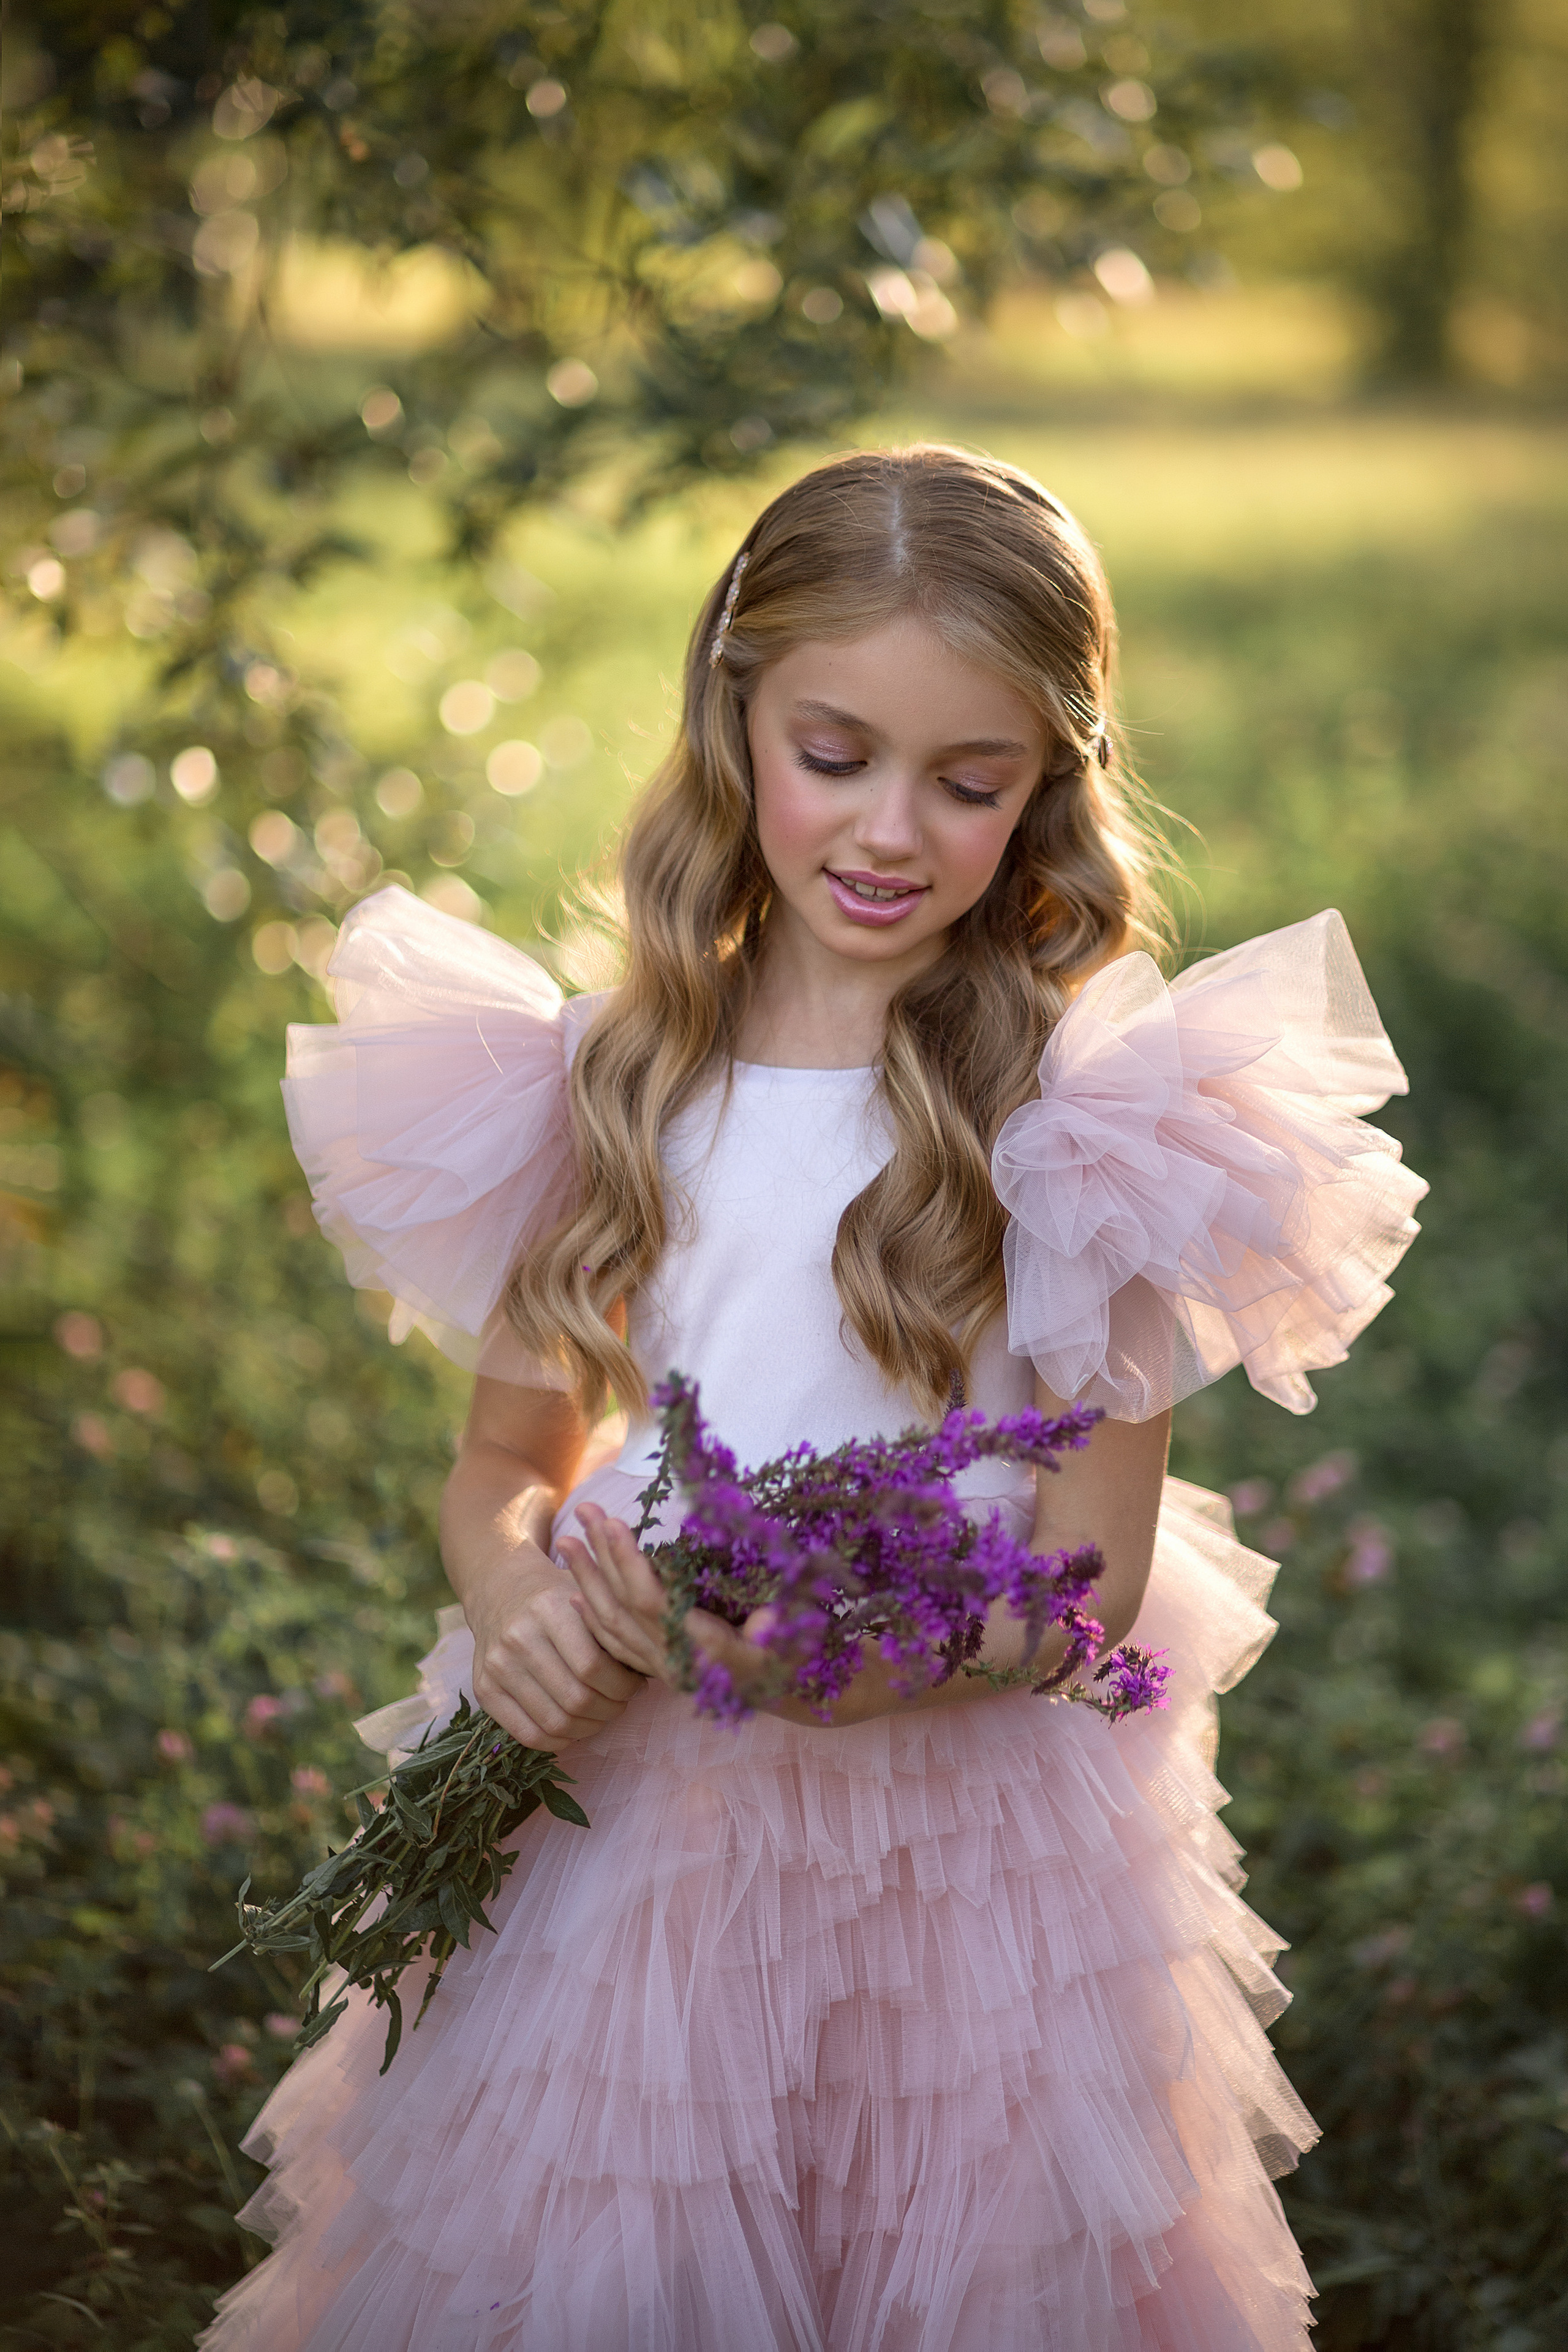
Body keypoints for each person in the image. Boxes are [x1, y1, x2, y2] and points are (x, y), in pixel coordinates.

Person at [203, 445, 1426, 2351]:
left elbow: (1092, 1583)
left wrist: (886, 1666)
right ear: (737, 716)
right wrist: (520, 1599)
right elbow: (507, 1463)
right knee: (613, 2243)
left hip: (969, 1831)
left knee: (955, 2251)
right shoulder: (609, 1080)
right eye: (834, 755)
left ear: (1051, 786)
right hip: (639, 1801)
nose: (889, 830)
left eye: (970, 781)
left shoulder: (1084, 1121)